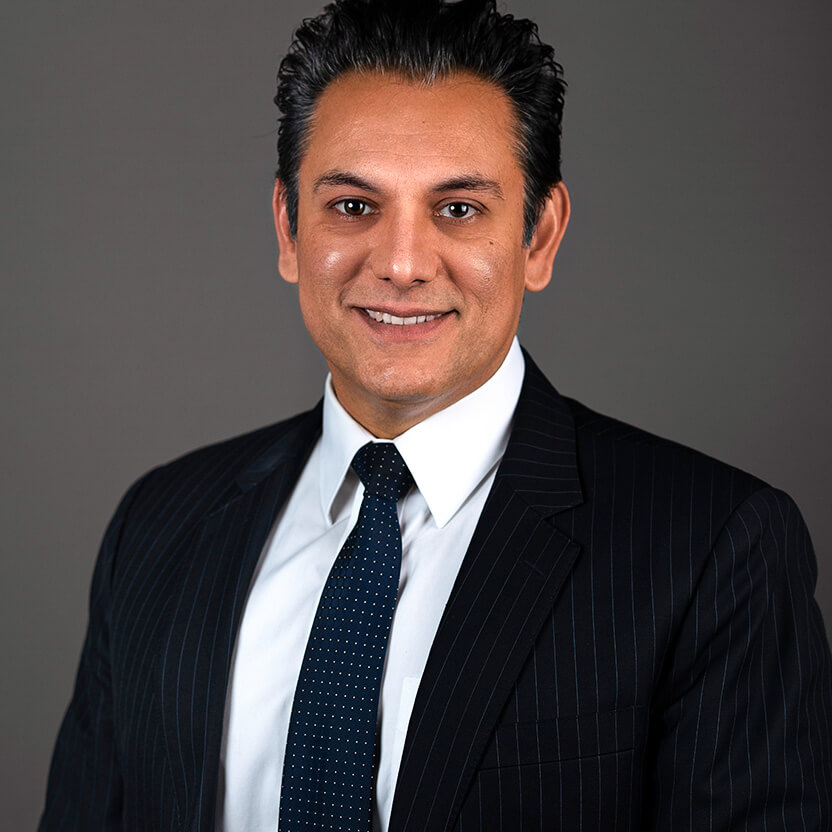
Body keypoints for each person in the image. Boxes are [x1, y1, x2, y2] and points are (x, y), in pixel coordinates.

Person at [39, 0, 832, 829]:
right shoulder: (159, 528)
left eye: (458, 209)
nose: (402, 264)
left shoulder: (712, 550)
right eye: (354, 206)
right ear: (288, 229)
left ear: (539, 238)